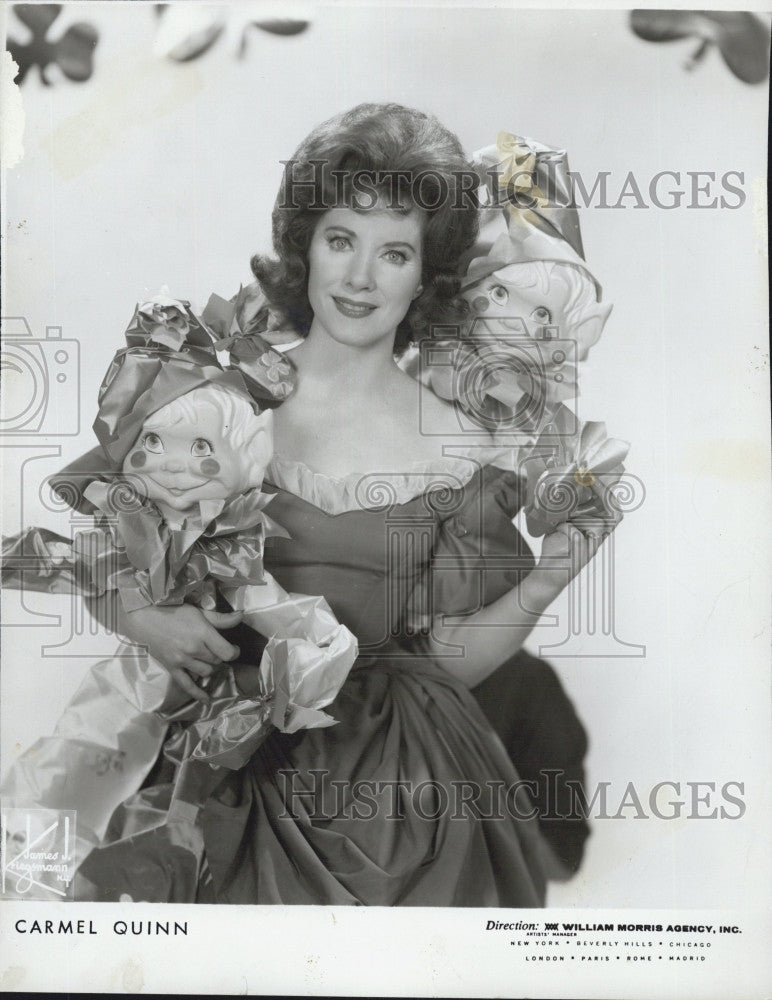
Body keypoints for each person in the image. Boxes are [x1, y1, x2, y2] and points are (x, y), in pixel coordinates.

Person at [85, 104, 619, 904]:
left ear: (429, 272)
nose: (361, 277)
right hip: (226, 781)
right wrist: (139, 614)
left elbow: (446, 663)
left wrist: (544, 584)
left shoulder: (466, 445)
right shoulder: (214, 395)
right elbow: (89, 539)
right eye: (342, 240)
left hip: (417, 806)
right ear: (306, 243)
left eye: (394, 252)